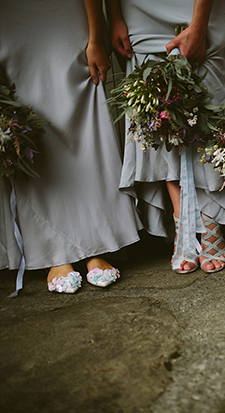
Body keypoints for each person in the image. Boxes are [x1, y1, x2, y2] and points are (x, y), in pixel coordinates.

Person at [0, 0, 142, 294]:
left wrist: (95, 36)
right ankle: (56, 250)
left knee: (84, 113)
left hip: (65, 11)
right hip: (10, 18)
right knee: (27, 122)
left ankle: (96, 245)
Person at [107, 0, 225, 274]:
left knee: (208, 103)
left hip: (197, 7)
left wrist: (198, 24)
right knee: (156, 109)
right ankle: (183, 220)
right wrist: (115, 13)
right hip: (142, 10)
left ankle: (209, 220)